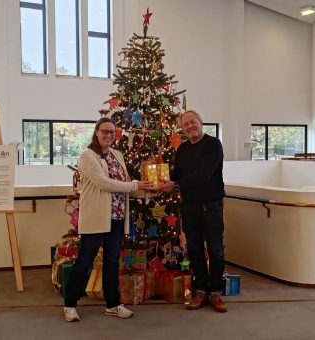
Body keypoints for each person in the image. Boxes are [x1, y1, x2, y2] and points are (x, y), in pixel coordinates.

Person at [63, 117, 152, 322]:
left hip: (117, 217)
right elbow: (104, 183)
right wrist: (136, 186)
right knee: (85, 261)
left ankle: (112, 304)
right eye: (105, 131)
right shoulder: (87, 155)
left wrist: (147, 191)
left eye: (112, 132)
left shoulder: (117, 155)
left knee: (112, 262)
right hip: (96, 218)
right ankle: (70, 303)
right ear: (96, 132)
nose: (108, 135)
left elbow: (127, 184)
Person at [159, 109, 227, 313]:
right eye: (185, 124)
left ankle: (215, 291)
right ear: (181, 128)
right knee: (195, 250)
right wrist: (157, 175)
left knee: (215, 251)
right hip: (189, 207)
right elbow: (176, 174)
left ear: (201, 122)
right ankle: (201, 291)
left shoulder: (213, 144)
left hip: (211, 206)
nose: (190, 126)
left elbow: (204, 174)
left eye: (192, 122)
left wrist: (177, 185)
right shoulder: (182, 149)